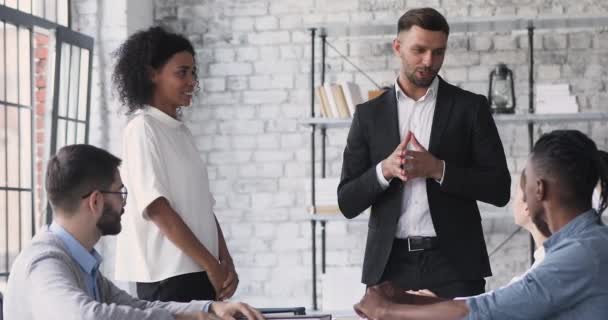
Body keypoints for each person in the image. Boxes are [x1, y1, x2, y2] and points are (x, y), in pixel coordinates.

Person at [337, 7, 511, 298]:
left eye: (438, 52)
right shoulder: (368, 116)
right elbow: (347, 201)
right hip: (388, 267)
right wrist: (385, 170)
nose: (429, 61)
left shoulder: (471, 108)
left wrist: (438, 169)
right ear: (397, 47)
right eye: (419, 50)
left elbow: (499, 189)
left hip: (455, 265)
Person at [354, 129, 608, 319]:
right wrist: (404, 298)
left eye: (525, 181)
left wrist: (387, 310)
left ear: (539, 189)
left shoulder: (581, 254)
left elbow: (489, 312)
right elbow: (500, 304)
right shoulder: (585, 246)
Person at [2, 144, 263, 320]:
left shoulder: (83, 263)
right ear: (95, 201)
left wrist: (209, 308)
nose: (125, 202)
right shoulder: (44, 263)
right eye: (119, 192)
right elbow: (88, 317)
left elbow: (139, 307)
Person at [112, 26, 237, 302]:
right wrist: (210, 263)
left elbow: (202, 205)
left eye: (193, 72)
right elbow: (156, 208)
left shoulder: (180, 132)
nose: (192, 81)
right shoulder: (142, 128)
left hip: (198, 268)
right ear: (151, 74)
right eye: (182, 72)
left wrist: (224, 260)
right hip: (167, 275)